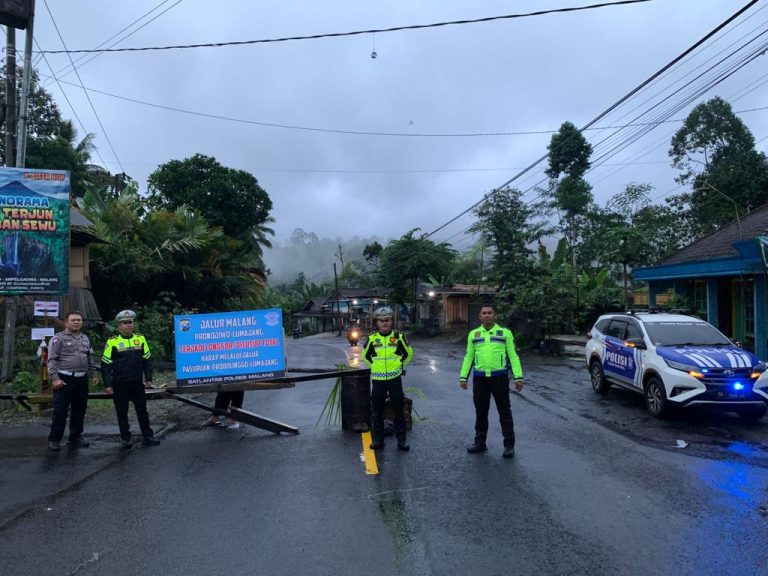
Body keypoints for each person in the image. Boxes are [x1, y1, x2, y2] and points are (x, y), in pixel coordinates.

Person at [459, 303, 524, 459]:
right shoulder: (474, 334)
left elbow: (513, 356)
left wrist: (518, 376)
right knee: (481, 413)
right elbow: (469, 357)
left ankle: (509, 445)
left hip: (499, 378)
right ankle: (480, 443)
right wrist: (463, 377)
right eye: (484, 313)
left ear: (495, 315)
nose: (487, 315)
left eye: (490, 313)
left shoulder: (505, 333)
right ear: (480, 316)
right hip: (480, 378)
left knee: (504, 412)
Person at [101, 310, 160, 448]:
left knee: (142, 411)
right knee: (122, 412)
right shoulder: (113, 341)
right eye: (124, 323)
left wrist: (149, 379)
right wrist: (108, 385)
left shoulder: (141, 339)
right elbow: (105, 365)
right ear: (119, 325)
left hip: (137, 383)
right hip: (120, 383)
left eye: (130, 322)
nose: (128, 325)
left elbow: (147, 360)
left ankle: (148, 436)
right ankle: (126, 438)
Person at [46, 311, 99, 451]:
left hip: (81, 379)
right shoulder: (58, 339)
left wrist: (94, 374)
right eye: (73, 320)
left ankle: (75, 437)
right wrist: (55, 378)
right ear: (66, 322)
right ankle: (54, 439)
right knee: (60, 411)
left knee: (79, 409)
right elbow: (51, 360)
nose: (76, 322)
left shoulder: (85, 338)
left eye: (79, 320)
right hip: (64, 379)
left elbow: (90, 358)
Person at [362, 306, 413, 452]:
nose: (384, 323)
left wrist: (399, 366)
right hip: (378, 380)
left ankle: (402, 441)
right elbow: (365, 356)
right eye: (381, 321)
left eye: (387, 320)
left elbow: (408, 354)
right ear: (377, 323)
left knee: (399, 410)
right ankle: (378, 440)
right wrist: (374, 366)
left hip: (394, 379)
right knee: (377, 411)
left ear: (392, 322)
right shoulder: (372, 339)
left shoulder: (399, 337)